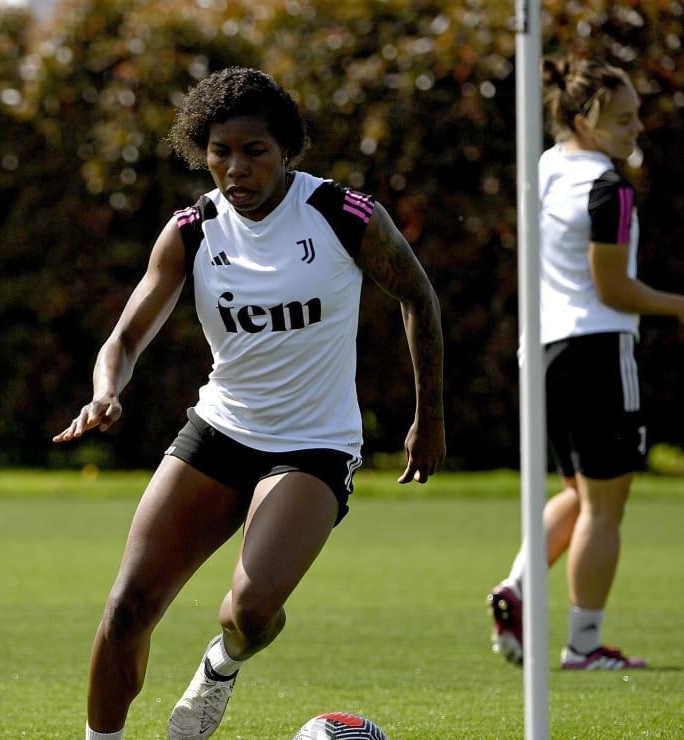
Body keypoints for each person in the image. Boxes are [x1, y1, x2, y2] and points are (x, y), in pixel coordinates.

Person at [55, 67, 445, 739]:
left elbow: (418, 297)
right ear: (200, 151)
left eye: (254, 151)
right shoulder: (192, 231)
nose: (235, 168)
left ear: (286, 149)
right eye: (219, 151)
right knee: (127, 607)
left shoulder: (341, 215)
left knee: (251, 609)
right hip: (219, 434)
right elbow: (123, 337)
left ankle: (222, 665)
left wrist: (429, 416)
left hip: (312, 446)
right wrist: (105, 392)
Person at [486, 55, 684, 671]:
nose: (637, 128)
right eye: (622, 118)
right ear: (581, 119)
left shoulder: (547, 166)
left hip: (542, 354)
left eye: (637, 116)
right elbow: (613, 288)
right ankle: (584, 646)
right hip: (597, 349)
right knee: (604, 507)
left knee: (576, 492)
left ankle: (514, 588)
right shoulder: (611, 188)